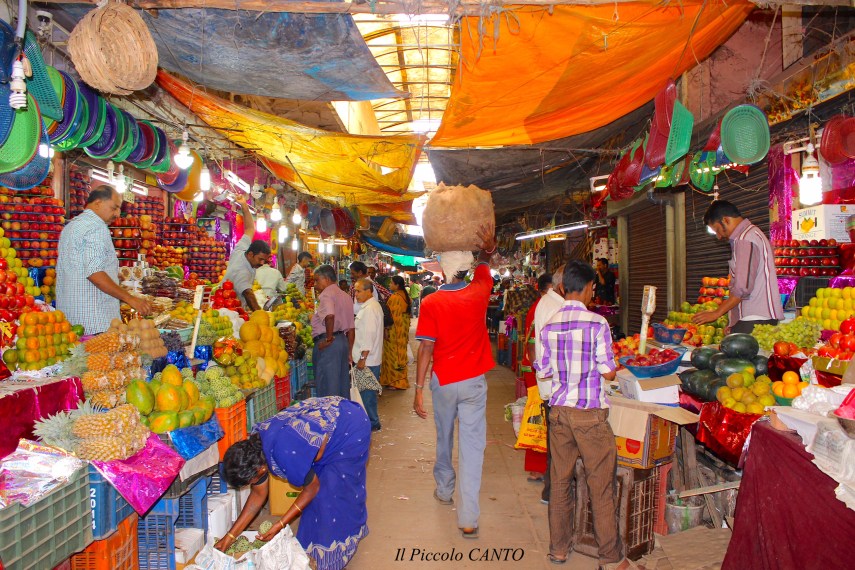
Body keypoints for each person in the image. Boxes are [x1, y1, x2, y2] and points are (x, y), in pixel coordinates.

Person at [216, 397, 370, 570]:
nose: (252, 484)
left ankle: (338, 550)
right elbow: (258, 494)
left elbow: (312, 489)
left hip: (350, 427)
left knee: (331, 497)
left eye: (249, 482)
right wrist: (230, 536)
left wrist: (280, 524)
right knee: (315, 503)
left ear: (258, 471)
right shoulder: (257, 451)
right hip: (326, 425)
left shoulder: (285, 454)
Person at [413, 224, 496, 539]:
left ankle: (444, 490)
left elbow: (426, 347)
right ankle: (468, 518)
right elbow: (488, 256)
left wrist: (419, 389)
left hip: (444, 381)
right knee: (473, 447)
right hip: (474, 381)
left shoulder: (432, 302)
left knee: (444, 437)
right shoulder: (480, 290)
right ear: (466, 268)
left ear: (443, 270)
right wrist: (484, 244)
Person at [535, 261, 620, 566]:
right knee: (601, 486)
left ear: (562, 288)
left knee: (559, 483)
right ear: (585, 288)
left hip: (558, 413)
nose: (592, 294)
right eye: (592, 289)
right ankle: (610, 556)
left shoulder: (549, 326)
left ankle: (558, 549)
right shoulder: (597, 324)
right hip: (588, 416)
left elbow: (543, 372)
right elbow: (609, 373)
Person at [57, 185, 152, 334]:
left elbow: (78, 268)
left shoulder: (70, 227)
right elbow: (94, 273)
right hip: (95, 320)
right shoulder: (97, 228)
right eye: (114, 208)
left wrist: (112, 275)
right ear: (98, 203)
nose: (117, 214)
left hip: (70, 320)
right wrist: (130, 299)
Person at [692, 200, 783, 333]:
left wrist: (716, 313)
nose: (718, 236)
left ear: (726, 220)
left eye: (717, 229)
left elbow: (742, 289)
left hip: (754, 319)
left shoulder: (745, 239)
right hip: (757, 319)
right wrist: (733, 321)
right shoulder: (753, 233)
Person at [531, 264, 567, 505]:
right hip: (556, 386)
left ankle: (551, 490)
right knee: (559, 443)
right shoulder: (556, 307)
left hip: (550, 384)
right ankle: (553, 493)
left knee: (556, 442)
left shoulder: (549, 302)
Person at [519, 272, 555, 484]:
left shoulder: (541, 306)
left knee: (541, 417)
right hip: (538, 373)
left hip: (537, 371)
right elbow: (533, 345)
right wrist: (541, 370)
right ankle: (537, 468)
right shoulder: (542, 307)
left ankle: (539, 467)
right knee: (539, 418)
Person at [311, 264, 355, 399]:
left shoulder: (326, 295)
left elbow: (330, 316)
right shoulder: (345, 296)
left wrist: (328, 339)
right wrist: (349, 351)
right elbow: (352, 328)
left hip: (330, 344)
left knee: (328, 387)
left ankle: (329, 418)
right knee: (341, 385)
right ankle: (341, 417)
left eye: (317, 280)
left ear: (326, 279)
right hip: (342, 342)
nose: (315, 284)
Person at [223, 195, 271, 311]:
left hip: (236, 306)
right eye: (260, 259)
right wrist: (260, 314)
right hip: (227, 310)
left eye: (264, 260)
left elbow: (249, 229)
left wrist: (244, 205)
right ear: (250, 255)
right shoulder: (242, 271)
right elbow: (248, 294)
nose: (262, 263)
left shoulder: (242, 249)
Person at [352, 278, 383, 431]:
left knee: (368, 395)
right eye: (355, 291)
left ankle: (373, 424)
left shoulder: (370, 309)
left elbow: (369, 335)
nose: (356, 294)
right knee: (366, 394)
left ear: (368, 291)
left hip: (368, 360)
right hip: (368, 359)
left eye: (358, 291)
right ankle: (370, 423)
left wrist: (362, 358)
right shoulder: (369, 307)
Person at [381, 275, 411, 390]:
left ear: (397, 285)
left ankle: (394, 381)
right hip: (402, 330)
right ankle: (400, 380)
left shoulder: (395, 298)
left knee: (392, 355)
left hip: (394, 330)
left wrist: (386, 329)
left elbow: (392, 317)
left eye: (391, 283)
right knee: (400, 353)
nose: (389, 285)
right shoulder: (405, 296)